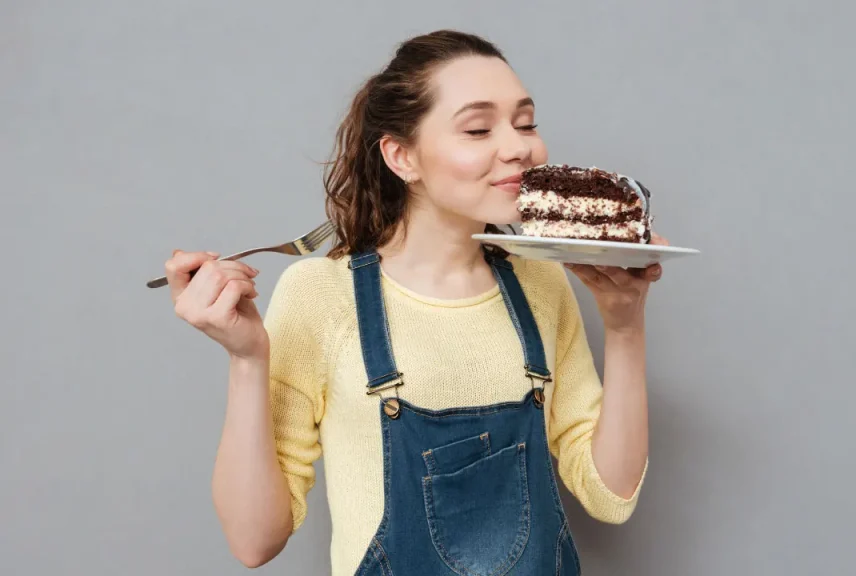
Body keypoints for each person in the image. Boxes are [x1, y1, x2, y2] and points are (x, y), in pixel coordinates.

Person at [164, 29, 666, 575]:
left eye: (526, 123)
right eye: (478, 128)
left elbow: (610, 495)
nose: (519, 146)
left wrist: (623, 325)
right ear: (401, 156)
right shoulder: (322, 296)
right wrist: (246, 358)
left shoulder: (541, 286)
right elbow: (253, 541)